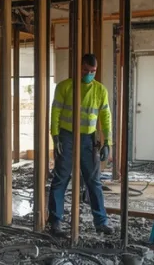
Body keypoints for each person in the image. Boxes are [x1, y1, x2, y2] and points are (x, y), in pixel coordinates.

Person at [48, 53, 114, 236]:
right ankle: (55, 222)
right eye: (86, 70)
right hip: (67, 136)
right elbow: (55, 112)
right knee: (61, 178)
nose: (89, 74)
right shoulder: (65, 87)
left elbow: (106, 118)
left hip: (88, 139)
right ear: (79, 68)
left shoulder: (100, 90)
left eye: (93, 71)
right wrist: (55, 136)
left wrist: (108, 142)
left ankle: (101, 222)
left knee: (94, 181)